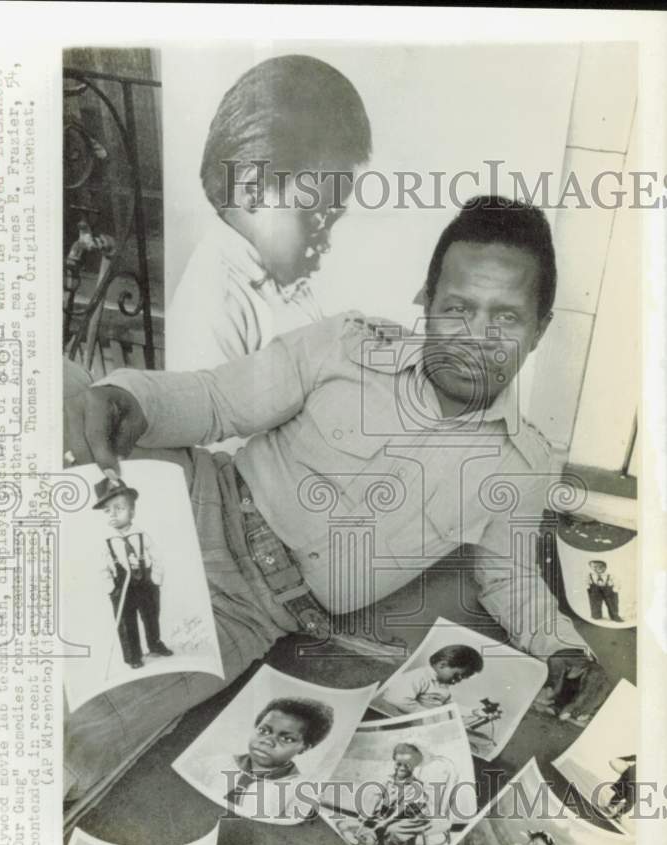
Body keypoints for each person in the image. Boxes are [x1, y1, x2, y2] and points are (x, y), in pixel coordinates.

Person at [68, 196, 611, 729]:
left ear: (539, 330)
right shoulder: (347, 345)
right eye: (458, 308)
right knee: (59, 407)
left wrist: (563, 649)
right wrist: (132, 397)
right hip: (196, 502)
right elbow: (216, 400)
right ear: (426, 298)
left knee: (85, 721)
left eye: (508, 318)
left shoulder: (525, 465)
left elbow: (510, 576)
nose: (476, 339)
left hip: (252, 615)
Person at [167, 54, 372, 375]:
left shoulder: (279, 278)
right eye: (317, 217)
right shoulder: (212, 306)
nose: (326, 244)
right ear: (253, 190)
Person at [195, 697, 334, 820]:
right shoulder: (213, 763)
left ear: (304, 748)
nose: (267, 741)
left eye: (286, 738)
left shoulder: (299, 793)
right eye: (264, 731)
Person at [94, 477, 173, 669]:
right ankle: (133, 656)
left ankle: (155, 643)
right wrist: (111, 587)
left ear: (132, 511)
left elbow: (157, 557)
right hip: (121, 587)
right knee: (125, 622)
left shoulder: (141, 535)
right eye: (107, 511)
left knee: (151, 614)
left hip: (146, 583)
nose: (112, 514)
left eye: (119, 508)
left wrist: (156, 578)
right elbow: (101, 567)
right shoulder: (106, 541)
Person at [352, 743, 432, 845]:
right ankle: (373, 839)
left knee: (392, 830)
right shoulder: (389, 779)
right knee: (371, 820)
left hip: (412, 816)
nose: (401, 768)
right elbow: (377, 795)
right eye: (398, 764)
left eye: (407, 765)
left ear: (414, 766)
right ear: (394, 762)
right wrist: (367, 813)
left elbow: (400, 811)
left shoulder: (415, 786)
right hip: (394, 812)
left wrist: (385, 822)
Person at [377, 644, 483, 715]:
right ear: (442, 665)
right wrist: (428, 715)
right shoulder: (420, 676)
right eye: (457, 676)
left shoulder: (443, 684)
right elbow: (396, 699)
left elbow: (447, 705)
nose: (459, 680)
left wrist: (472, 711)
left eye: (463, 678)